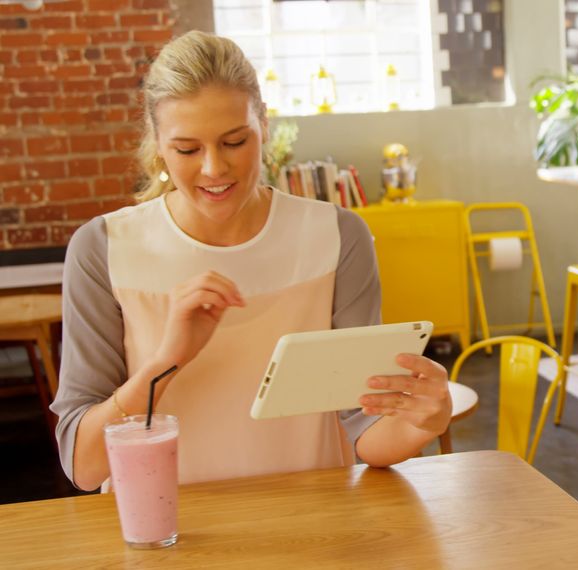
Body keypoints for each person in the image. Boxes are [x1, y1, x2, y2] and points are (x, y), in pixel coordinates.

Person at [50, 31, 451, 492]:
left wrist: (425, 420)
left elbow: (366, 433)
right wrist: (168, 360)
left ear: (263, 123)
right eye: (187, 149)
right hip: (164, 539)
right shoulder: (103, 249)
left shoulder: (337, 236)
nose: (214, 169)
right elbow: (83, 465)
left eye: (235, 141)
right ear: (157, 144)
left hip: (316, 531)